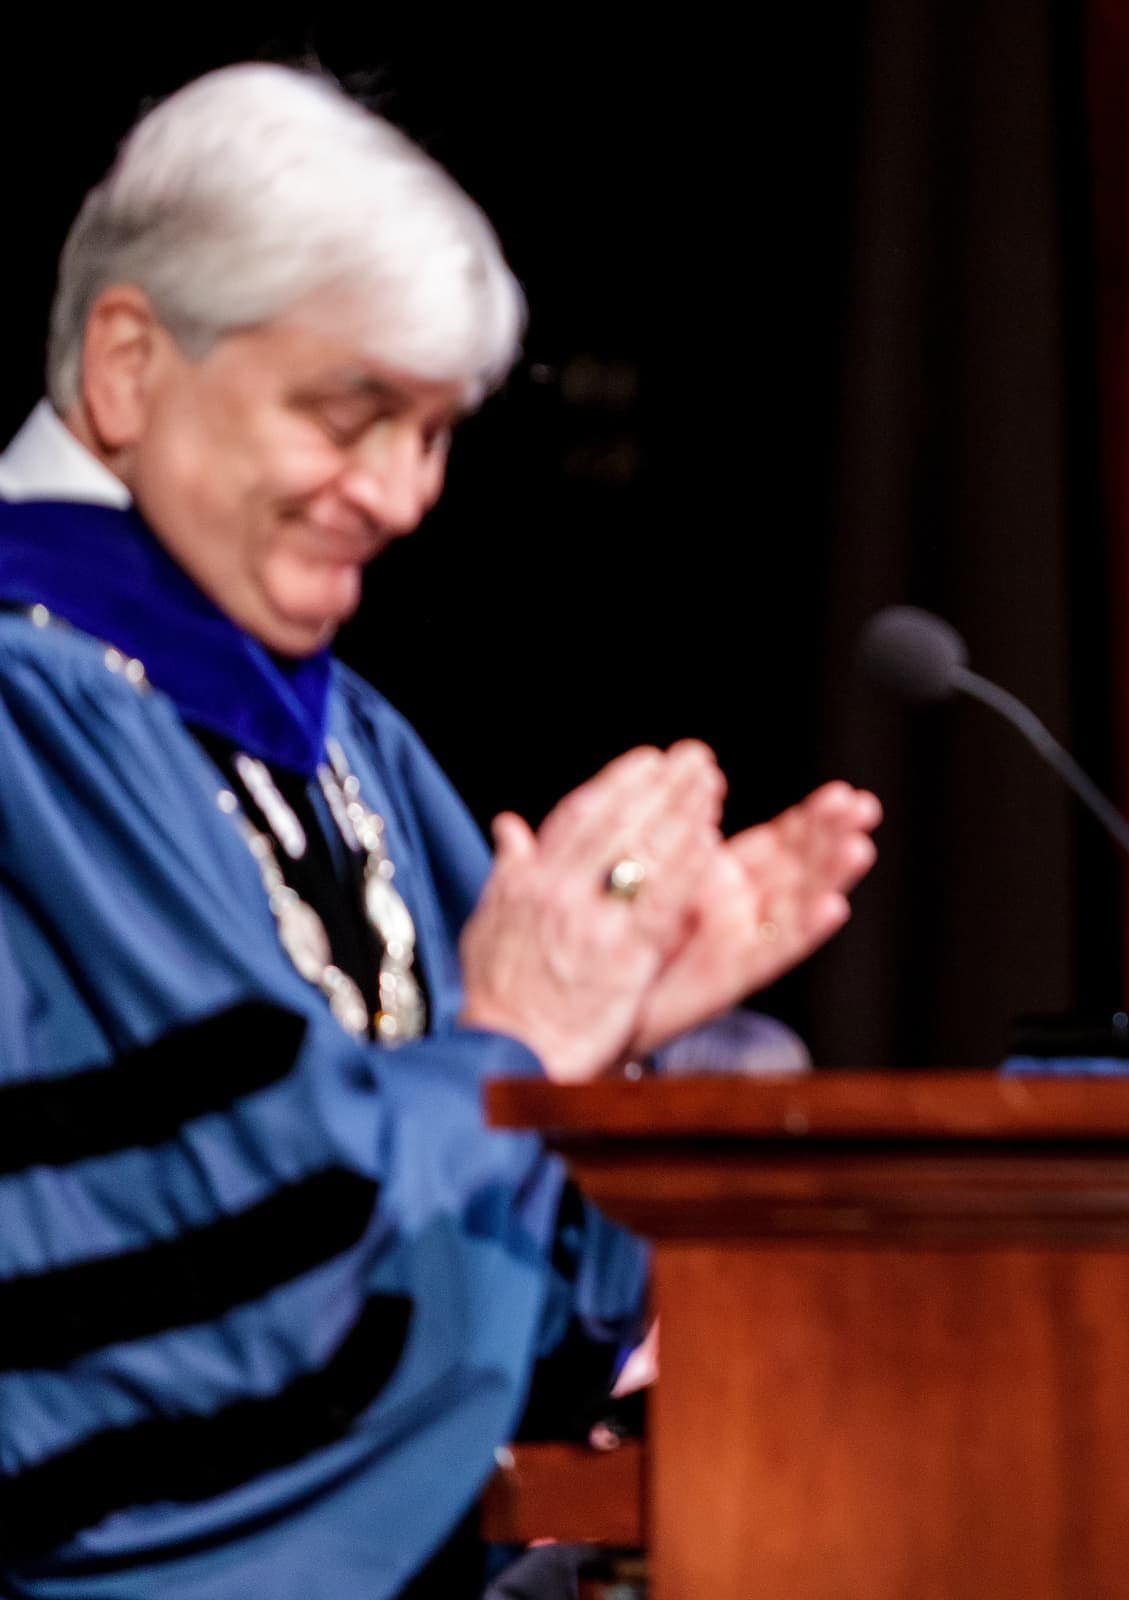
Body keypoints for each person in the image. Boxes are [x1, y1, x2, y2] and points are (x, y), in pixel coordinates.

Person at [0, 64, 881, 1598]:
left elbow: (474, 1253)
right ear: (130, 365)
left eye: (433, 433)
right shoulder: (29, 714)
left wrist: (606, 1041)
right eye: (353, 418)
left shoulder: (340, 737)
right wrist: (518, 1044)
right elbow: (220, 1241)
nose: (404, 496)